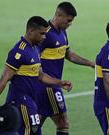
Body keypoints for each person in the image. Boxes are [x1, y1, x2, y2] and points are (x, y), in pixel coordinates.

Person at [0, 16, 72, 135]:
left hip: (31, 100)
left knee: (33, 131)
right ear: (31, 31)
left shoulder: (35, 49)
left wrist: (59, 83)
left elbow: (40, 75)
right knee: (31, 131)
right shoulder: (19, 51)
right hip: (20, 101)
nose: (44, 37)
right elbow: (4, 78)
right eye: (42, 34)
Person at [36, 2, 94, 135]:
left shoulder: (62, 33)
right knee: (63, 122)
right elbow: (33, 58)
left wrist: (91, 63)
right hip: (47, 87)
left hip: (52, 85)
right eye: (68, 21)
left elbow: (69, 55)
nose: (70, 24)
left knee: (37, 122)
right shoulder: (46, 34)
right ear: (58, 15)